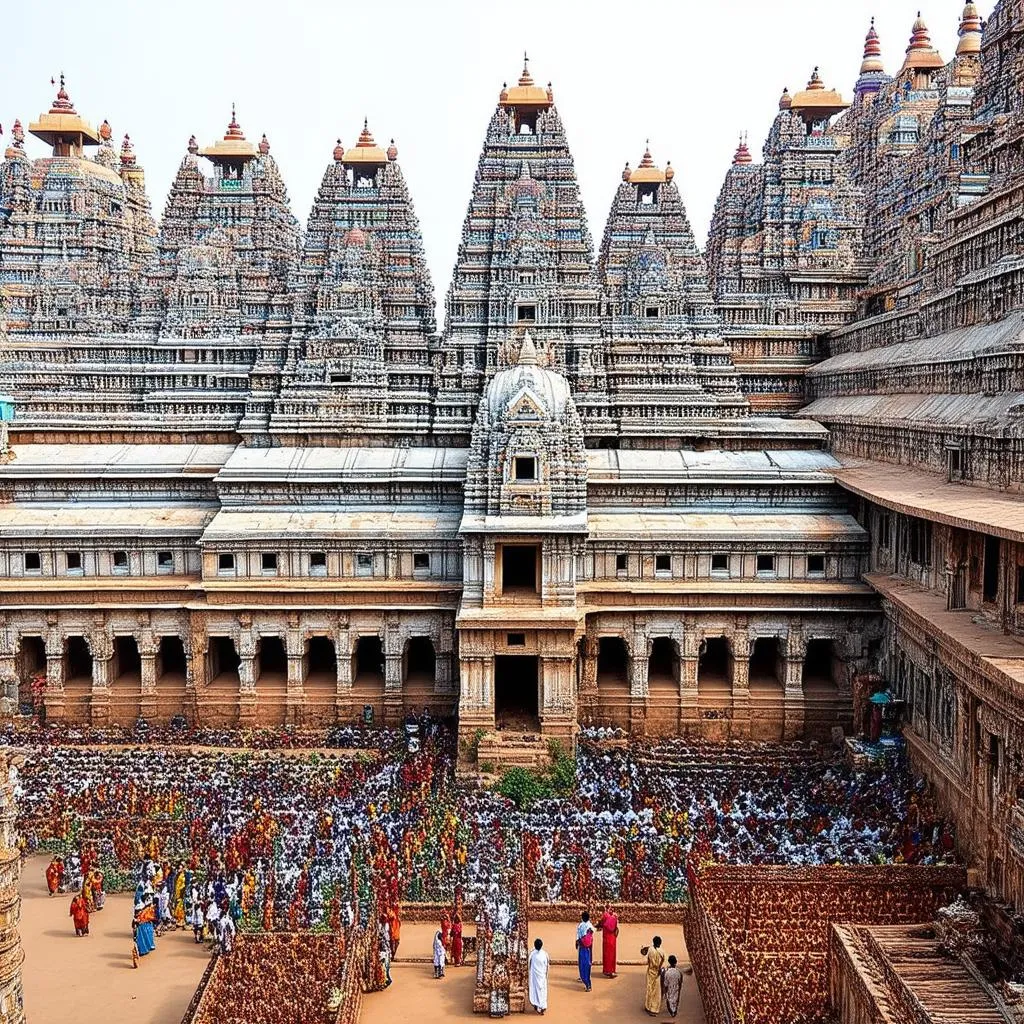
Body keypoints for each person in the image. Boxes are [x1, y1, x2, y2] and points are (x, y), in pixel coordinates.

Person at [641, 935, 666, 1015]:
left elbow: (645, 958)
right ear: (660, 943)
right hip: (658, 973)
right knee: (656, 991)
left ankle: (648, 1006)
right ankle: (654, 1009)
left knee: (649, 989)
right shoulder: (662, 952)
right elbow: (664, 963)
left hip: (650, 971)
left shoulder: (650, 950)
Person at [597, 904, 619, 978]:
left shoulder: (605, 917)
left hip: (607, 938)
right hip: (612, 938)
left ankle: (608, 970)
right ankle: (611, 970)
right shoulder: (613, 917)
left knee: (607, 955)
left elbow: (600, 925)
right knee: (611, 954)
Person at [528, 937, 549, 1015]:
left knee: (535, 990)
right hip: (542, 976)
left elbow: (528, 964)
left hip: (535, 976)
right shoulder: (545, 954)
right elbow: (547, 966)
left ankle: (538, 1005)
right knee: (542, 991)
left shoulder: (532, 954)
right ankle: (542, 1005)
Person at [576, 911, 594, 992]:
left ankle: (587, 983)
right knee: (587, 964)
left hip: (583, 947)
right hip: (588, 947)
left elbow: (578, 936)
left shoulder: (581, 926)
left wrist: (577, 943)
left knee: (583, 964)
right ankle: (586, 981)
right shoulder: (590, 925)